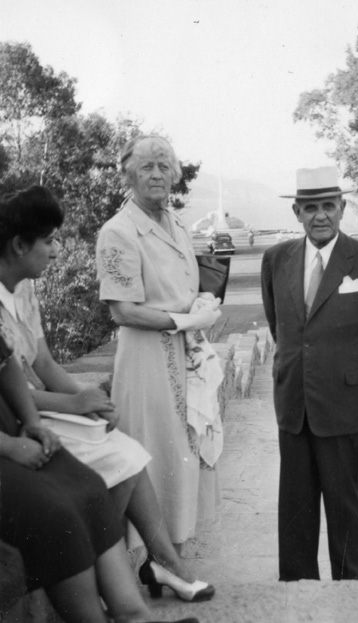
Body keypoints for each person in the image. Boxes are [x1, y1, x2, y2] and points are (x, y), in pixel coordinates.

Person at [0, 185, 214, 602]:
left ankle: (155, 564)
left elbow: (43, 365)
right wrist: (74, 404)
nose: (58, 250)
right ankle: (114, 568)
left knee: (126, 451)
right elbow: (10, 392)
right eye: (49, 241)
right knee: (121, 459)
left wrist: (89, 398)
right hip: (14, 422)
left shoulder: (23, 289)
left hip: (34, 411)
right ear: (18, 245)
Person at [261, 166, 358, 581]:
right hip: (294, 405)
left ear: (342, 208)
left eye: (328, 206)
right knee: (294, 509)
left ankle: (347, 596)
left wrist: (351, 372)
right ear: (296, 212)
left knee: (344, 507)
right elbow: (281, 326)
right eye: (310, 208)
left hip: (346, 405)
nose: (319, 215)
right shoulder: (276, 260)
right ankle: (298, 592)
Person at [0, 332, 198, 623]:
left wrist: (32, 423)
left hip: (14, 435)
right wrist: (9, 446)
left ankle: (136, 617)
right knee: (54, 512)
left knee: (90, 488)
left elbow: (6, 366)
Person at [96, 136, 223, 554]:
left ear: (175, 175)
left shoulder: (177, 221)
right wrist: (188, 319)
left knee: (186, 451)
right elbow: (123, 311)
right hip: (148, 360)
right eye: (147, 167)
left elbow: (185, 286)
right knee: (158, 455)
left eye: (164, 167)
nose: (156, 175)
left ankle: (172, 557)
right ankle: (159, 558)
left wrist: (202, 301)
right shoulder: (118, 231)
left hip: (186, 353)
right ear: (128, 175)